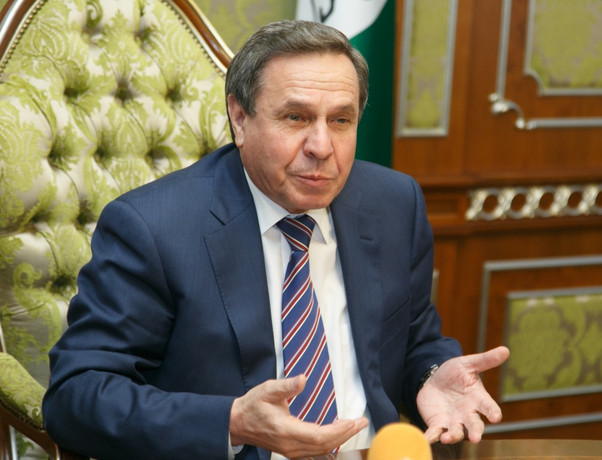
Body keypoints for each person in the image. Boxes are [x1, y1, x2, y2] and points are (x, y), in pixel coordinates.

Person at [42, 20, 509, 460]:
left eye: (341, 120)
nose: (322, 147)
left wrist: (431, 372)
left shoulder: (393, 203)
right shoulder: (153, 227)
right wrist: (231, 422)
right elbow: (76, 396)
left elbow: (413, 340)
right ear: (240, 118)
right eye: (296, 117)